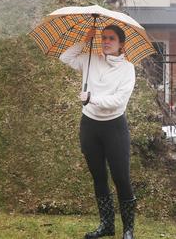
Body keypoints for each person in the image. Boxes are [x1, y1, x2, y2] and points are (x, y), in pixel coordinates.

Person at [59, 24, 137, 239]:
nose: (106, 41)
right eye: (103, 37)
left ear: (121, 43)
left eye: (111, 38)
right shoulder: (91, 59)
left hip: (114, 128)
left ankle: (128, 229)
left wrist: (92, 98)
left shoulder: (127, 69)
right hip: (90, 126)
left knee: (121, 178)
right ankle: (106, 225)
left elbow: (118, 101)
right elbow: (65, 57)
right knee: (99, 177)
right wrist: (85, 40)